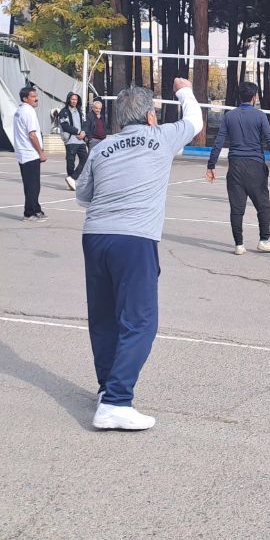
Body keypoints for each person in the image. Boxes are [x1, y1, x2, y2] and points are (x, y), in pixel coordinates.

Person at [77, 79, 203, 431]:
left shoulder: (102, 148)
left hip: (96, 235)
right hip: (134, 238)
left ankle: (107, 389)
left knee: (104, 318)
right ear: (150, 116)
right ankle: (116, 401)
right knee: (140, 321)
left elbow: (83, 196)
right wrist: (184, 90)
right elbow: (195, 120)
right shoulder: (160, 137)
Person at [205, 82, 270, 254]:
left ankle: (239, 245)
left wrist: (211, 165)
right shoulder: (260, 116)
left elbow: (218, 141)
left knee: (237, 208)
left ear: (240, 97)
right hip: (255, 166)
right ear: (254, 98)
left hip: (235, 167)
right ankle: (264, 240)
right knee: (263, 206)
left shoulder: (229, 116)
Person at [14, 85, 48, 222]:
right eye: (33, 96)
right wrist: (41, 152)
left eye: (36, 96)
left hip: (24, 153)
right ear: (25, 98)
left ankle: (36, 209)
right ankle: (29, 213)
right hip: (30, 153)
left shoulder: (20, 110)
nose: (36, 99)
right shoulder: (28, 112)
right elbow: (32, 135)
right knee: (32, 186)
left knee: (32, 184)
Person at [58, 91, 88, 190]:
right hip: (70, 140)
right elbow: (65, 126)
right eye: (72, 99)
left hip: (81, 141)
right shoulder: (64, 112)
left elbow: (85, 124)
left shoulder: (80, 111)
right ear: (69, 100)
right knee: (70, 162)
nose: (74, 101)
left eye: (76, 99)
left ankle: (72, 178)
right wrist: (78, 132)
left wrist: (83, 132)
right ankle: (71, 183)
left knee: (85, 159)